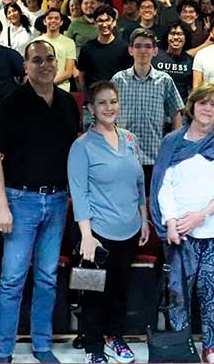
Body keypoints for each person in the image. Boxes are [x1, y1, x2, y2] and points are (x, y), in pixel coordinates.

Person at [0, 41, 80, 363]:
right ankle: (3, 350)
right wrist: (1, 206)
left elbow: (74, 153)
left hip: (57, 201)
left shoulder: (68, 103)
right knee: (12, 280)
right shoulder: (10, 105)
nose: (45, 65)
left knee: (47, 278)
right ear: (25, 66)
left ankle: (42, 345)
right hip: (19, 201)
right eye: (37, 60)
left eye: (49, 59)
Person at [150, 83, 214, 363]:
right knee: (179, 293)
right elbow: (162, 186)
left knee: (210, 292)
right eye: (203, 103)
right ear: (192, 106)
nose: (207, 109)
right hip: (179, 232)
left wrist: (201, 215)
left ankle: (210, 347)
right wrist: (171, 222)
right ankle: (182, 345)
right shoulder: (172, 141)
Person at [67, 81, 150, 364]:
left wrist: (144, 218)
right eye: (102, 102)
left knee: (119, 291)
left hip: (129, 229)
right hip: (97, 233)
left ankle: (114, 338)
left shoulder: (129, 139)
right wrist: (86, 236)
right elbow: (79, 194)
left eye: (113, 101)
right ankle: (93, 347)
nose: (109, 107)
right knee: (93, 293)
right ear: (91, 108)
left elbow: (139, 181)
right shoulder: (81, 146)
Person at [111, 28, 184, 184]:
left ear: (155, 51)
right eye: (138, 46)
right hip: (124, 157)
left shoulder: (165, 80)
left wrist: (175, 146)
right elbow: (108, 115)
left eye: (148, 46)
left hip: (155, 157)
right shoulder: (118, 80)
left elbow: (176, 114)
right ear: (130, 50)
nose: (143, 50)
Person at [76, 6, 133, 90]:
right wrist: (86, 94)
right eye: (100, 21)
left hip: (118, 93)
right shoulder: (86, 48)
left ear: (114, 22)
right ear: (95, 23)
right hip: (94, 94)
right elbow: (82, 74)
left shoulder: (125, 48)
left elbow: (129, 74)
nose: (105, 24)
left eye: (108, 20)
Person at [37, 8, 78, 91]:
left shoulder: (69, 42)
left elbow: (69, 72)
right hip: (40, 89)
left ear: (61, 22)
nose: (53, 21)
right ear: (44, 21)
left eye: (56, 18)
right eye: (50, 18)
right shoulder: (36, 42)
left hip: (63, 89)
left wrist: (49, 84)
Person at [153, 22, 194, 101]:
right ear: (166, 36)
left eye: (179, 34)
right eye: (172, 33)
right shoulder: (155, 56)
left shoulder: (189, 61)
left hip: (180, 105)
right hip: (156, 102)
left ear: (186, 37)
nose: (175, 37)